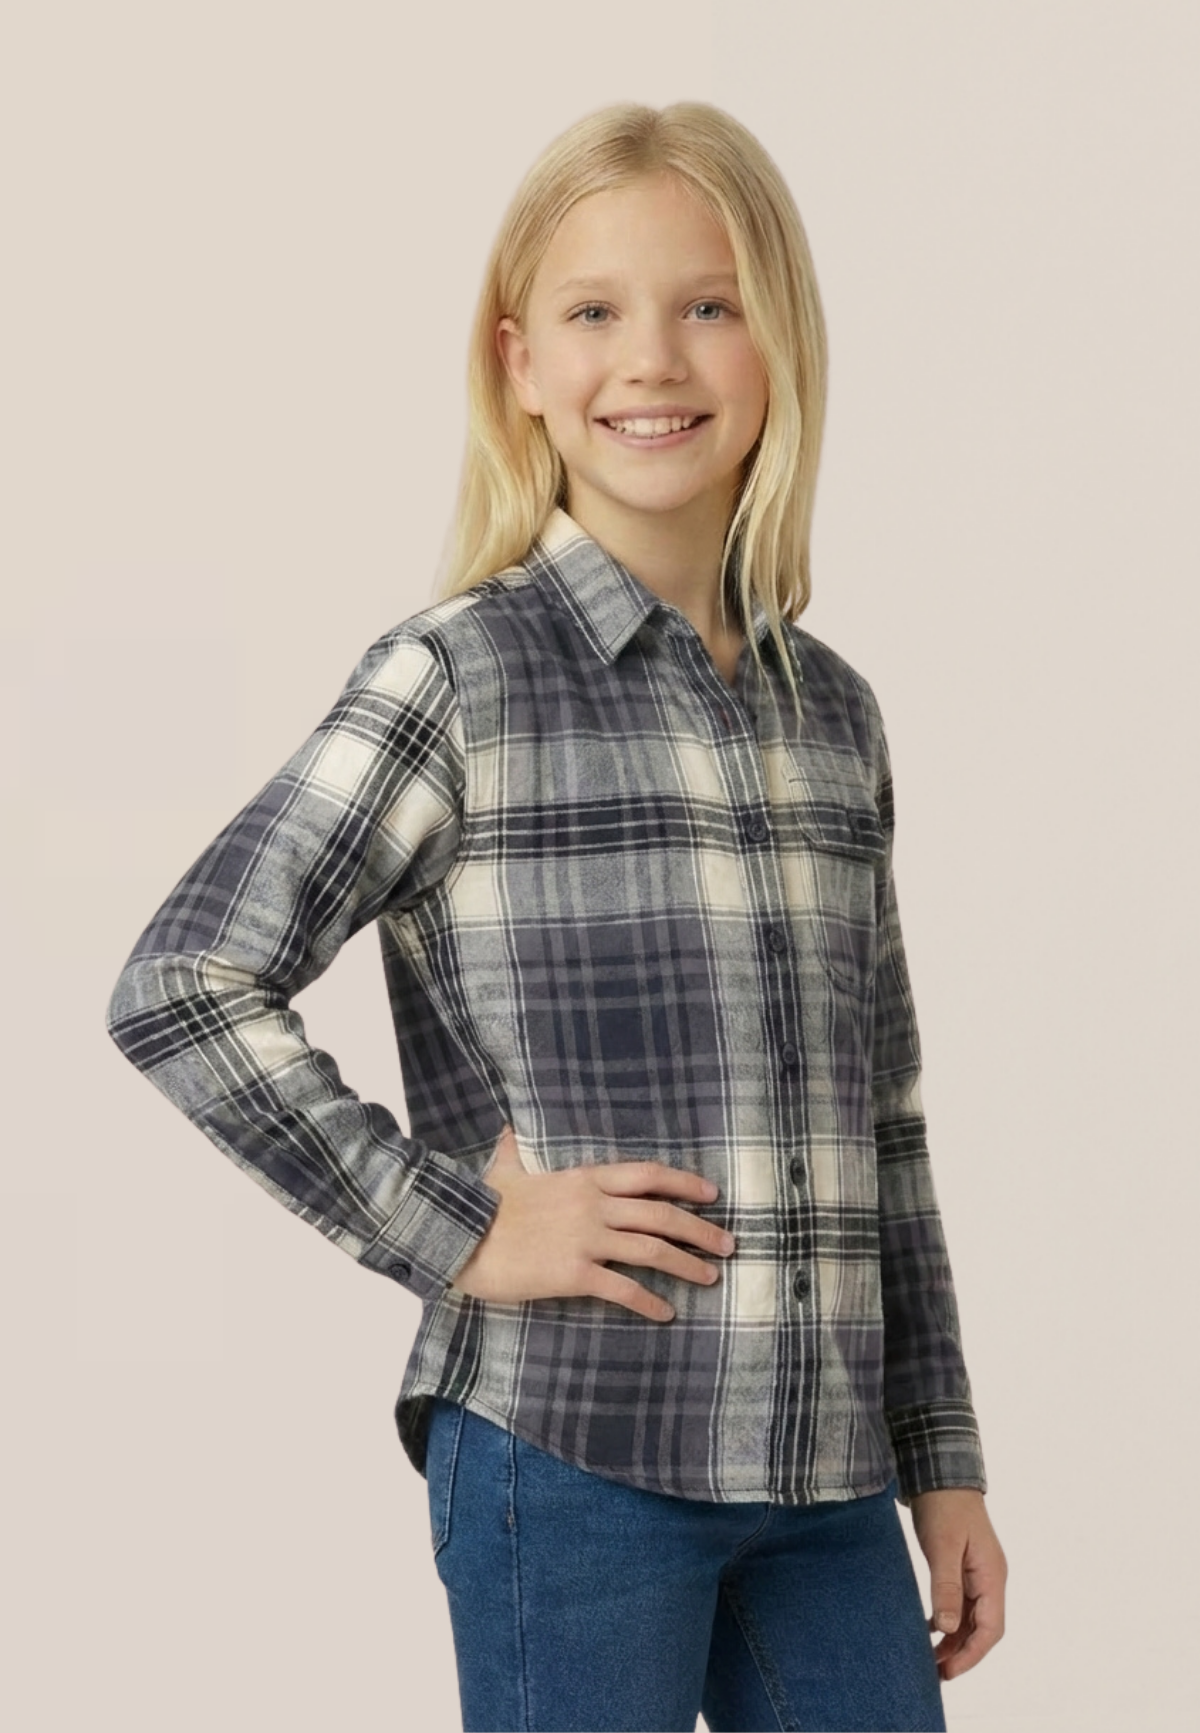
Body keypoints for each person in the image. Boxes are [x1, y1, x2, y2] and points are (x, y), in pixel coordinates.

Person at [106, 100, 1006, 1732]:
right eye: (596, 313)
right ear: (520, 362)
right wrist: (466, 1229)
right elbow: (185, 980)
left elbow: (887, 1124)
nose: (652, 360)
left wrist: (941, 1462)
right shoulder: (459, 678)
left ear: (779, 346)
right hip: (574, 1451)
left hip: (824, 1480)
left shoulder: (836, 717)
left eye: (708, 305)